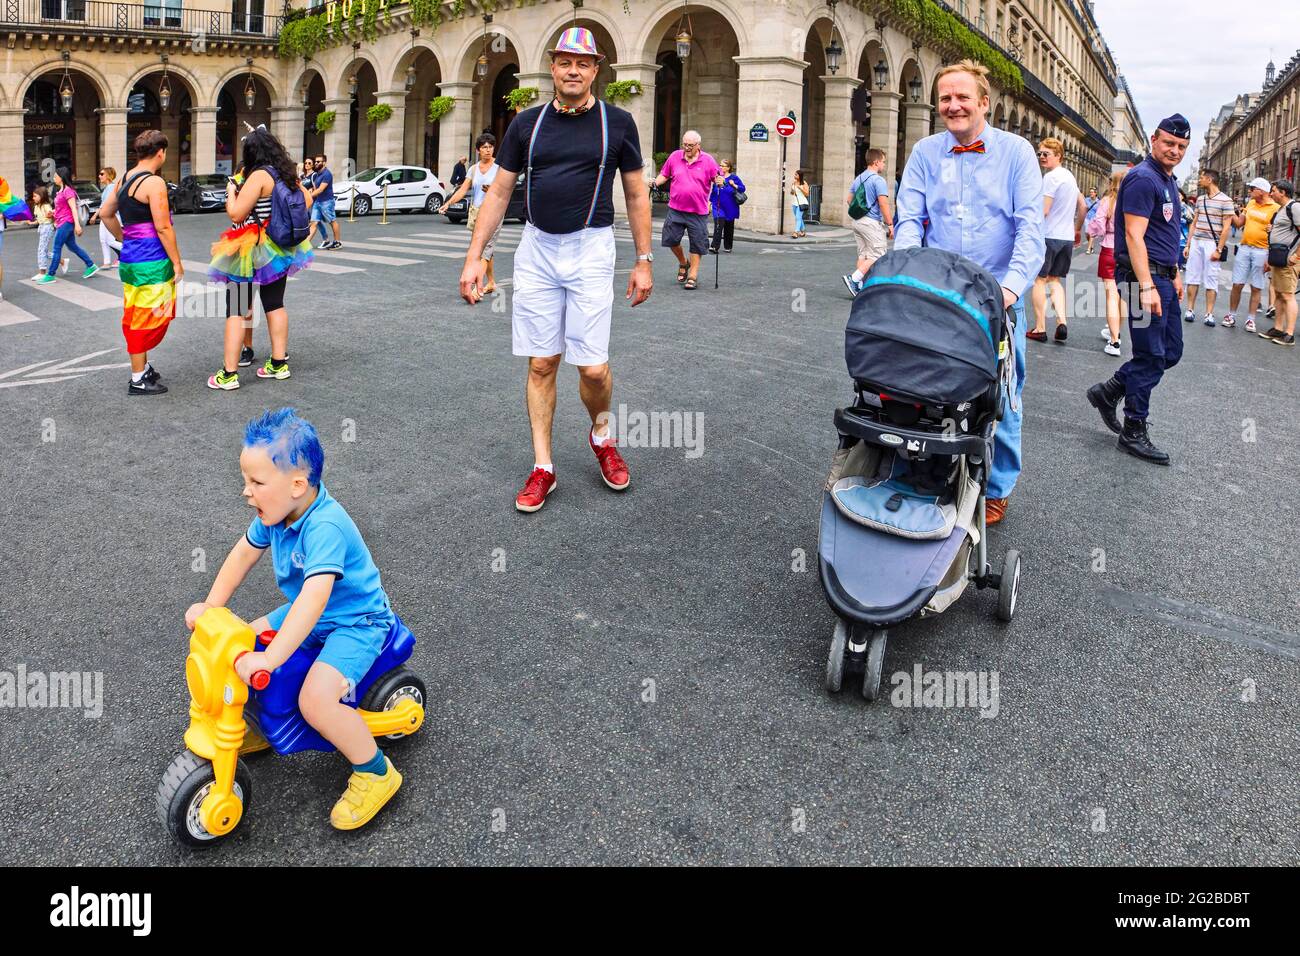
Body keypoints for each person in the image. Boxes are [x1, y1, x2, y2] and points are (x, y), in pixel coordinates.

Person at [458, 26, 653, 513]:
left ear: (595, 69)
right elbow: (499, 192)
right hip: (538, 248)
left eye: (583, 63)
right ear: (552, 66)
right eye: (565, 61)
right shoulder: (526, 124)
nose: (573, 70)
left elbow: (635, 194)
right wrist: (475, 256)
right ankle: (543, 466)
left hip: (591, 249)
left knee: (593, 368)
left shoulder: (619, 122)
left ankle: (602, 435)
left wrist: (644, 260)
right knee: (542, 362)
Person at [185, 408, 406, 830]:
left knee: (315, 699)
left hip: (354, 622)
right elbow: (242, 555)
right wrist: (212, 606)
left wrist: (271, 659)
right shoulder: (276, 514)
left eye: (256, 482)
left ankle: (376, 772)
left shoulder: (326, 527)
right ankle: (254, 724)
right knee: (238, 641)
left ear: (297, 485)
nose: (246, 492)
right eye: (246, 480)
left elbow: (314, 598)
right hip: (314, 611)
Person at [893, 59, 1044, 525]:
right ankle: (926, 464)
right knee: (924, 383)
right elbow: (909, 222)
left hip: (999, 299)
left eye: (962, 97)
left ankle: (997, 487)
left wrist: (1010, 290)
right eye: (945, 98)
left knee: (1002, 393)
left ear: (984, 102)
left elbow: (1029, 232)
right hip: (938, 295)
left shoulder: (1017, 153)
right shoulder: (924, 152)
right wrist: (903, 273)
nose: (953, 106)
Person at [1086, 114, 1191, 466]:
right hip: (1141, 279)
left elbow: (1166, 233)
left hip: (1162, 277)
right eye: (1169, 143)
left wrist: (1174, 271)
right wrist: (1146, 286)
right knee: (1150, 357)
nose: (1175, 151)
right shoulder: (1144, 178)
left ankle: (1110, 390)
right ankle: (1133, 429)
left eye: (1181, 147)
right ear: (1153, 138)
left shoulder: (1167, 180)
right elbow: (1133, 235)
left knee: (1170, 352)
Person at [206, 126, 314, 390]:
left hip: (249, 249)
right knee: (275, 303)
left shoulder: (257, 176)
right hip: (277, 248)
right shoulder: (286, 175)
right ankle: (278, 364)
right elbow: (308, 201)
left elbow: (236, 214)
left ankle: (229, 375)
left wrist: (232, 191)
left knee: (237, 309)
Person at [96, 129, 182, 397]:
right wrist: (177, 263)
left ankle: (142, 368)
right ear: (161, 153)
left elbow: (105, 213)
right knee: (148, 316)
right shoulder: (154, 183)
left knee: (137, 312)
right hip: (151, 259)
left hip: (132, 258)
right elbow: (164, 227)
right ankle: (138, 377)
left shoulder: (123, 179)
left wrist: (124, 238)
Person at [1027, 137, 1085, 342]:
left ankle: (1040, 328)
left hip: (1048, 236)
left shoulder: (1050, 178)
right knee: (1055, 281)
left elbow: (1043, 210)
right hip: (1066, 237)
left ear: (1058, 156)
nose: (1042, 157)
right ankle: (1062, 322)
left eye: (1046, 154)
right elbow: (1083, 206)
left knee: (1039, 280)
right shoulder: (1069, 177)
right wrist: (1076, 229)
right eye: (1040, 153)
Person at [652, 129, 719, 289]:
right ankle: (683, 262)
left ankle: (693, 276)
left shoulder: (708, 160)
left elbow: (717, 178)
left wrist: (720, 181)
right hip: (676, 209)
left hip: (698, 211)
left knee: (697, 244)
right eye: (685, 144)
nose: (687, 148)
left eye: (690, 145)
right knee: (671, 240)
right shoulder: (675, 156)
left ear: (698, 145)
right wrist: (655, 182)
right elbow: (664, 174)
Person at [444, 132, 501, 293]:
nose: (488, 150)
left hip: (494, 211)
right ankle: (491, 282)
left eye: (490, 147)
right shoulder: (473, 169)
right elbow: (463, 190)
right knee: (482, 248)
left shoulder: (499, 167)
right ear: (478, 150)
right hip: (477, 212)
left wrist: (492, 190)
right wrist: (448, 203)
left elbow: (504, 190)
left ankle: (478, 287)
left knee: (486, 249)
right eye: (484, 147)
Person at [1222, 177, 1278, 332]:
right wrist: (1229, 209)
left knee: (1256, 286)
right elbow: (1239, 223)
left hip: (1263, 251)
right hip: (1245, 248)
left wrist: (1270, 257)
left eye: (1252, 189)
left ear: (1261, 191)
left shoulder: (1275, 208)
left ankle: (1250, 319)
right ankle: (1231, 315)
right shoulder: (1251, 203)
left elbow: (1278, 232)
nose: (1250, 191)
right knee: (1237, 283)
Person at [1181, 167, 1234, 325]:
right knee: (1192, 276)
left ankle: (1208, 313)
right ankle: (1190, 310)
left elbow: (1226, 228)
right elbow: (1194, 223)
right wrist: (1188, 245)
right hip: (1197, 241)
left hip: (1212, 243)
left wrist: (1219, 249)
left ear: (1209, 180)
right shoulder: (1200, 199)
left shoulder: (1226, 200)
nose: (1199, 180)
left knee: (1211, 278)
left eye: (1202, 177)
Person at [842, 147, 893, 295]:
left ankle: (861, 286)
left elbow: (849, 199)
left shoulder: (859, 178)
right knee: (878, 254)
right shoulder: (878, 180)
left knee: (864, 255)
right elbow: (883, 204)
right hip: (871, 222)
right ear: (876, 162)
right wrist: (890, 224)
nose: (884, 165)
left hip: (857, 221)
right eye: (883, 162)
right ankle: (854, 279)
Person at [37, 167, 98, 283]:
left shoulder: (68, 191)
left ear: (61, 177)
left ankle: (50, 275)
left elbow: (73, 209)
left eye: (56, 176)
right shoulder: (60, 191)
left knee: (56, 248)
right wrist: (53, 212)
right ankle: (91, 265)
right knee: (72, 246)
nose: (54, 178)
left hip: (66, 222)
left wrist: (77, 225)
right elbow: (62, 208)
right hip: (62, 222)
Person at [1090, 169, 1126, 356]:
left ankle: (1114, 341)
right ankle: (1115, 331)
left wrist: (1091, 231)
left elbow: (1098, 227)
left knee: (1111, 295)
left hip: (1110, 248)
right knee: (1122, 295)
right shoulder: (1134, 202)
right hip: (1128, 251)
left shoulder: (1107, 202)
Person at [1261, 179, 1299, 346]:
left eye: (1274, 190)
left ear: (1283, 192)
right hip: (1278, 257)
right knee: (1279, 293)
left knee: (1287, 295)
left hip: (1289, 259)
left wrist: (1296, 256)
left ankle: (1289, 334)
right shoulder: (1281, 209)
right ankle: (1278, 328)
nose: (1271, 193)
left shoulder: (1294, 207)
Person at [708, 159, 745, 254]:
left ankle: (728, 246)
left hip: (730, 206)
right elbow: (714, 192)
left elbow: (742, 188)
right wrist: (709, 203)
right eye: (720, 165)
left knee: (728, 227)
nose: (720, 167)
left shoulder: (734, 178)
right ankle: (714, 246)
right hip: (718, 206)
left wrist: (733, 184)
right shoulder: (717, 177)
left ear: (728, 167)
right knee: (718, 225)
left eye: (723, 165)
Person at [87, 167, 122, 269]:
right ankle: (107, 262)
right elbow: (103, 205)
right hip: (106, 216)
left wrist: (94, 216)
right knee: (103, 240)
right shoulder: (107, 188)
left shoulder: (111, 187)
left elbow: (105, 205)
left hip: (111, 216)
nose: (99, 176)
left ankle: (131, 250)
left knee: (110, 241)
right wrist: (96, 216)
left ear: (108, 176)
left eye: (102, 174)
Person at [308, 153, 340, 250]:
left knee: (332, 221)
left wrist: (308, 196)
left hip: (327, 202)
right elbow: (315, 188)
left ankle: (337, 242)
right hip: (318, 202)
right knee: (313, 222)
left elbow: (321, 189)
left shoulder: (327, 174)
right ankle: (305, 244)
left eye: (318, 162)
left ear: (324, 163)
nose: (316, 163)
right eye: (316, 162)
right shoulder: (318, 174)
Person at [29, 185, 56, 280]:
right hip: (42, 227)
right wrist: (32, 222)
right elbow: (39, 219)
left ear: (42, 196)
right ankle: (61, 260)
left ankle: (42, 272)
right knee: (43, 250)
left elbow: (52, 214)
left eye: (35, 196)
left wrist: (51, 215)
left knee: (41, 250)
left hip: (47, 228)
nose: (33, 198)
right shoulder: (36, 207)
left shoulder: (46, 206)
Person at [789, 169, 811, 238]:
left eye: (796, 174)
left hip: (802, 203)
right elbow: (792, 193)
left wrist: (800, 188)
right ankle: (803, 231)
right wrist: (792, 191)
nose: (794, 175)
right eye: (794, 174)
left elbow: (807, 194)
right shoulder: (794, 183)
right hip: (794, 203)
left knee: (798, 218)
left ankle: (796, 232)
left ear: (800, 176)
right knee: (799, 218)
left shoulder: (804, 183)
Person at [1082, 186, 1100, 254]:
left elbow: (1099, 212)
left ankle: (1088, 249)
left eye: (1092, 192)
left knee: (1091, 234)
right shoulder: (1086, 200)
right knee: (1087, 233)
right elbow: (1083, 207)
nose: (1091, 193)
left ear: (1095, 193)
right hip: (1087, 218)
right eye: (1090, 192)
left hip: (1094, 220)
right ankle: (1091, 245)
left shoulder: (1099, 202)